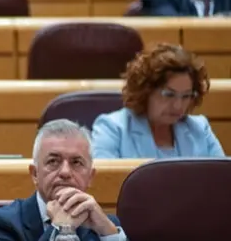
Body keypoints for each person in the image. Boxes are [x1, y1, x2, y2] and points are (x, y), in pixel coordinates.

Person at [0, 119, 130, 241]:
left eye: (76, 162)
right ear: (35, 174)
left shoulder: (106, 226)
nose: (65, 172)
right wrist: (60, 230)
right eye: (53, 161)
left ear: (90, 177)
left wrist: (110, 235)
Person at [92, 44, 225, 159]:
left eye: (186, 96)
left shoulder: (200, 129)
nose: (178, 105)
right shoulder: (112, 129)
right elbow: (106, 180)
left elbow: (222, 177)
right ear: (145, 91)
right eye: (169, 95)